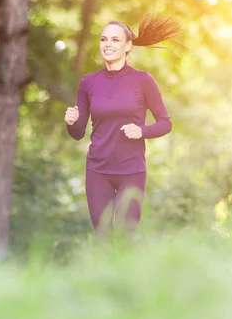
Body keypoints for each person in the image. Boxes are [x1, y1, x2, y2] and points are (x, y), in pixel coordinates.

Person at [65, 15, 179, 236]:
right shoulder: (88, 83)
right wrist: (71, 122)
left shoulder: (143, 80)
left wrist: (142, 131)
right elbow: (78, 133)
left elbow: (165, 123)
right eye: (104, 39)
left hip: (132, 171)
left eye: (115, 40)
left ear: (128, 46)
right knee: (103, 238)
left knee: (127, 238)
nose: (108, 44)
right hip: (98, 170)